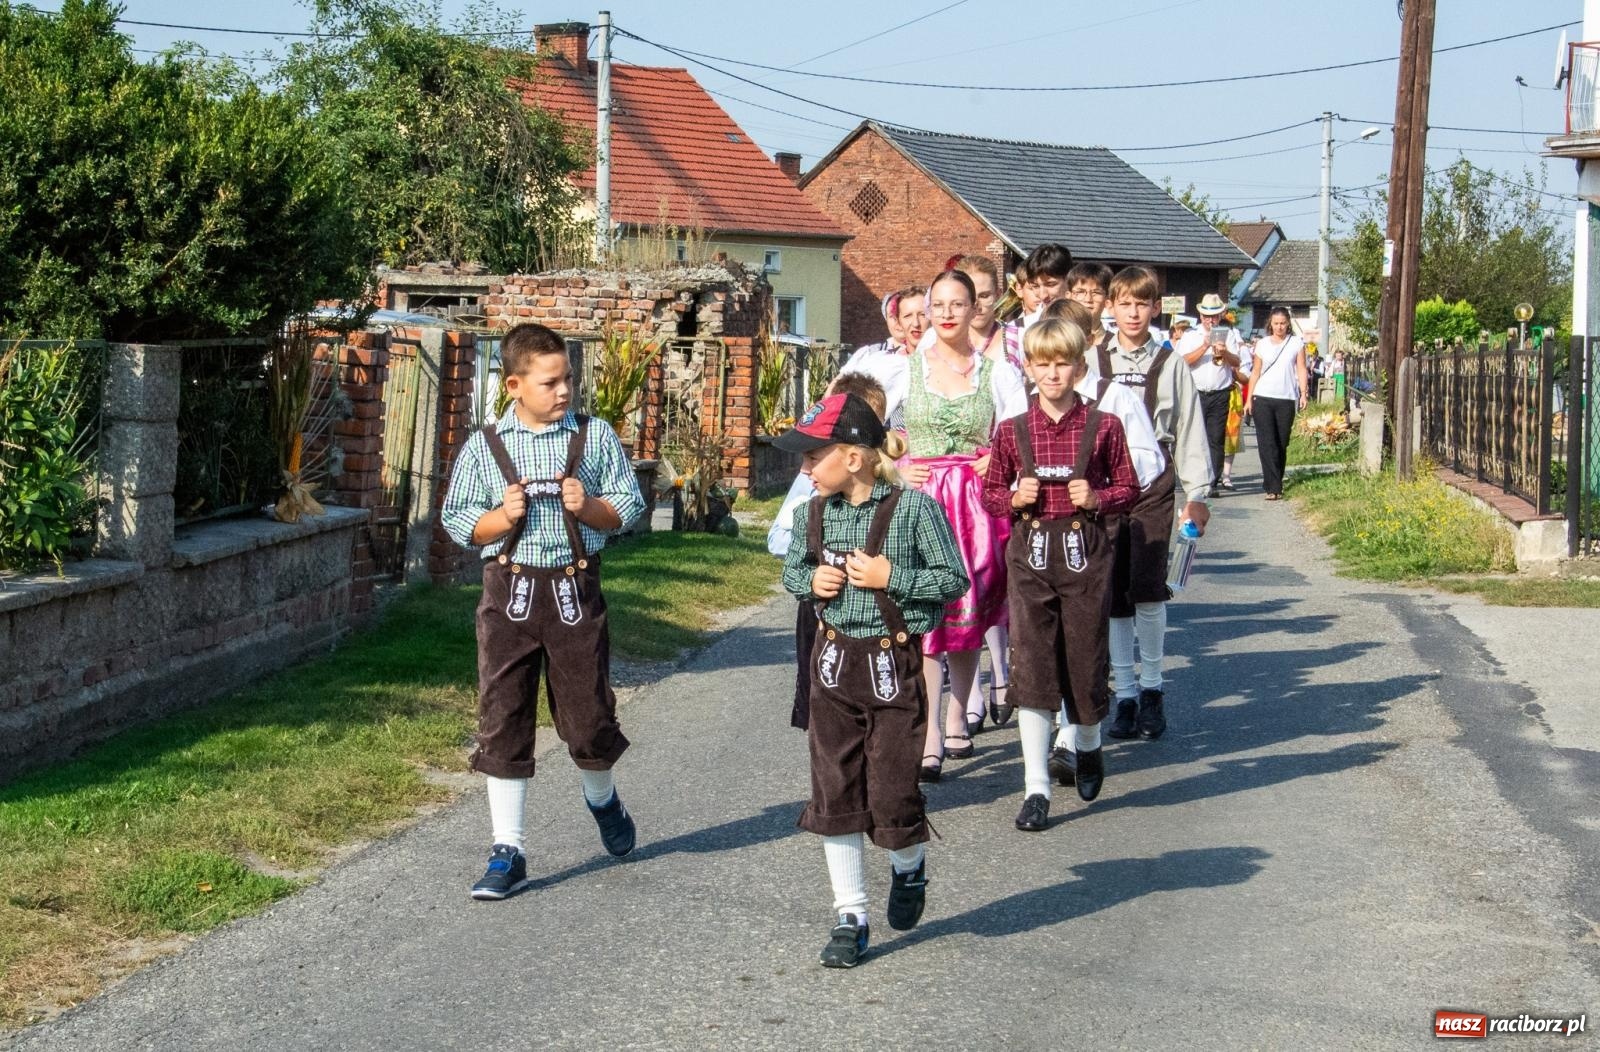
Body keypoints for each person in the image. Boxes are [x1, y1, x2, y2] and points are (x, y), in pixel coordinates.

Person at [440, 323, 647, 900]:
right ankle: (508, 850)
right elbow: (459, 522)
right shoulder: (485, 446)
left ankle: (602, 799)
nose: (563, 391)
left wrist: (590, 507)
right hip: (508, 597)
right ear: (514, 385)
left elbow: (629, 506)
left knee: (588, 718)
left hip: (574, 595)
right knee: (502, 715)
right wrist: (500, 518)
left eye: (568, 379)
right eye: (550, 382)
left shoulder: (593, 435)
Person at [779, 392, 969, 969]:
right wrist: (810, 582)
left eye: (813, 457)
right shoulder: (813, 514)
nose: (805, 469)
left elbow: (953, 579)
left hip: (892, 667)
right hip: (832, 666)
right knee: (834, 789)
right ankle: (850, 916)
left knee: (891, 789)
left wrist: (894, 576)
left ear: (854, 458)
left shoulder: (914, 511)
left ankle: (908, 867)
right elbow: (793, 569)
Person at [983, 319, 1141, 832]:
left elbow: (1129, 487)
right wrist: (1013, 498)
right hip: (1030, 554)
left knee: (1085, 659)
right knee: (1032, 667)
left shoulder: (1104, 425)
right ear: (1028, 368)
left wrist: (1097, 498)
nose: (1053, 373)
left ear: (1079, 366)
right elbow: (990, 494)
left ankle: (1089, 743)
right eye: (1043, 364)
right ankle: (1036, 788)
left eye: (1062, 363)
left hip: (1084, 554)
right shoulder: (1012, 430)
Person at [881, 270, 1027, 781]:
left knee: (967, 613)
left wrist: (999, 459)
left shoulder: (998, 373)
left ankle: (958, 712)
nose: (946, 314)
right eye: (937, 304)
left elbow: (1021, 433)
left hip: (975, 509)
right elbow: (861, 423)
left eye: (956, 304)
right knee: (927, 617)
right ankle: (929, 733)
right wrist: (896, 467)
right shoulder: (905, 370)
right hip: (921, 504)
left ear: (974, 309)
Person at [1037, 299, 1165, 785]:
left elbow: (1146, 465)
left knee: (1084, 636)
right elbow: (1003, 464)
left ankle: (1074, 736)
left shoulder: (1115, 399)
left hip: (1093, 536)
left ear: (1086, 346)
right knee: (1047, 639)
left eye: (1066, 350)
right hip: (1037, 540)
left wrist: (1100, 487)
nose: (1055, 365)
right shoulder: (1029, 401)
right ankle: (1062, 734)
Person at [1091, 267, 1212, 743]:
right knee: (1114, 593)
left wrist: (1197, 495)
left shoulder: (1171, 362)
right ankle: (1124, 694)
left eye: (1142, 303)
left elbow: (1188, 428)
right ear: (1111, 308)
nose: (1133, 312)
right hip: (1104, 482)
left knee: (1148, 588)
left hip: (1152, 483)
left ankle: (1153, 689)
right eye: (1125, 303)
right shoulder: (1094, 359)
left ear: (1156, 308)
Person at [767, 373, 892, 731]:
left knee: (883, 722)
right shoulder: (814, 480)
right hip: (824, 618)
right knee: (825, 721)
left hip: (881, 626)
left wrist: (891, 575)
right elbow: (779, 539)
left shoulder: (900, 494)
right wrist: (815, 565)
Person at [1176, 293, 1243, 498]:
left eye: (1213, 316)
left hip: (1220, 392)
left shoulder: (1228, 334)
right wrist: (1205, 346)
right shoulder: (1191, 335)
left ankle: (1212, 482)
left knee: (1216, 438)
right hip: (1196, 392)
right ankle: (1196, 479)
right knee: (1194, 437)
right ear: (1201, 315)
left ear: (1220, 315)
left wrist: (1224, 352)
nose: (1210, 320)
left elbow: (1237, 362)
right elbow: (1182, 361)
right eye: (1206, 316)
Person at [1248, 306, 1310, 500]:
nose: (1279, 327)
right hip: (1263, 396)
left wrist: (1303, 393)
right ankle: (1273, 487)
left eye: (1283, 323)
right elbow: (1255, 372)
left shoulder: (1296, 343)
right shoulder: (1262, 344)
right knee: (1267, 443)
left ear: (1288, 323)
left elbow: (1301, 368)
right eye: (1276, 323)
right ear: (1270, 324)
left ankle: (1276, 479)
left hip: (1286, 397)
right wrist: (1249, 398)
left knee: (1281, 442)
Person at [1064, 262, 1113, 347]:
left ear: (1107, 299)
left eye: (1096, 292)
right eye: (1080, 292)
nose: (1088, 299)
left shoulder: (1115, 344)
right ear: (1068, 296)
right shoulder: (1055, 338)